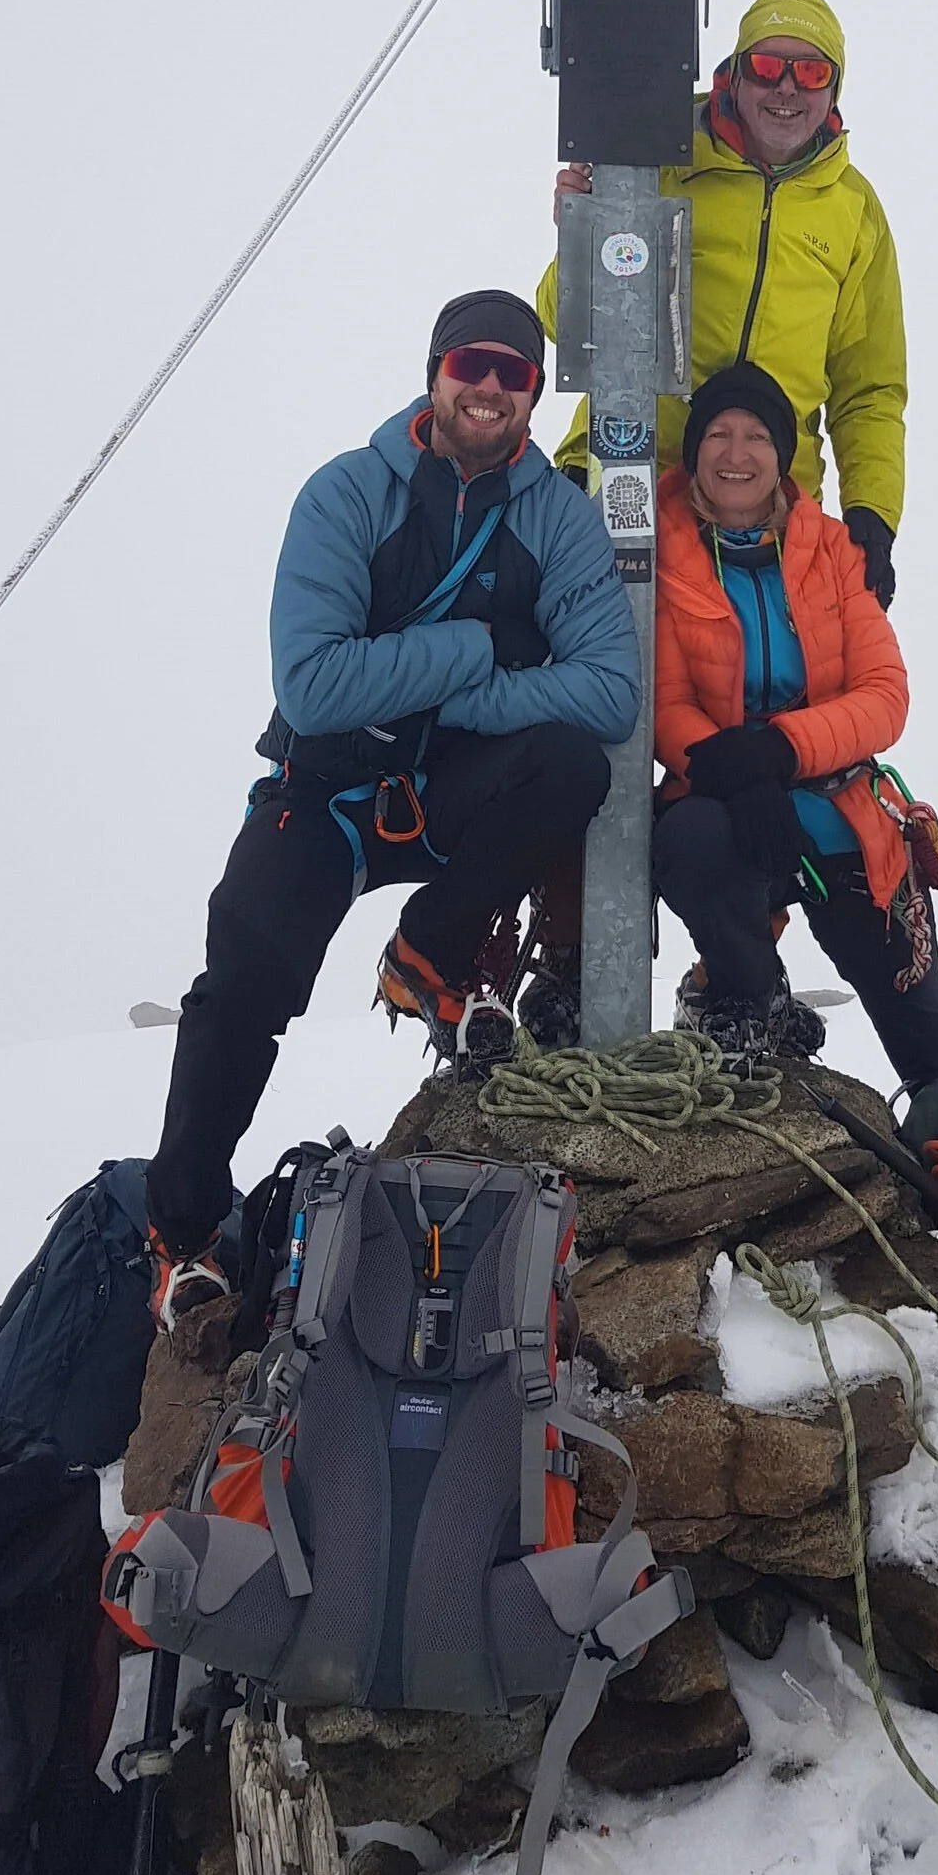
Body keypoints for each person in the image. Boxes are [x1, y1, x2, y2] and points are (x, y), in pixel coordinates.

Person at [143, 288, 641, 1325]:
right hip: (322, 794)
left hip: (447, 786)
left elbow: (606, 692)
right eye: (472, 365)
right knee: (244, 978)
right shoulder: (347, 493)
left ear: (537, 393)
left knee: (570, 768)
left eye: (513, 372)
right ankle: (182, 1232)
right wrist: (478, 647)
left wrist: (455, 693)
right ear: (434, 374)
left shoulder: (553, 515)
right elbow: (313, 688)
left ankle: (429, 951)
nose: (490, 389)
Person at [651, 361, 938, 1080]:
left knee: (931, 1045)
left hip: (845, 816)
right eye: (719, 435)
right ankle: (745, 992)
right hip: (724, 806)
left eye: (758, 437)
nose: (737, 455)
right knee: (692, 837)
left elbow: (884, 694)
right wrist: (728, 773)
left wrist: (778, 750)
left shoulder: (832, 549)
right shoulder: (659, 552)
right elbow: (664, 698)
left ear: (784, 455)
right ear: (694, 448)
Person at [537, 0, 905, 606]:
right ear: (733, 75)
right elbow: (561, 323)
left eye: (812, 72)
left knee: (758, 693)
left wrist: (872, 513)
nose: (788, 89)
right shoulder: (655, 159)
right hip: (631, 476)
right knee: (605, 687)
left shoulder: (853, 209)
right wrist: (580, 239)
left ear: (833, 91)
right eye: (768, 67)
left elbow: (869, 388)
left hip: (771, 513)